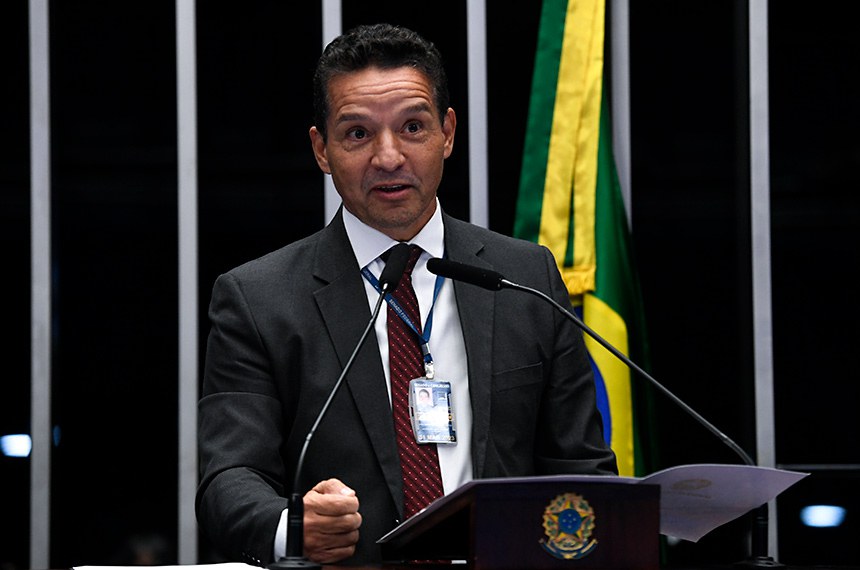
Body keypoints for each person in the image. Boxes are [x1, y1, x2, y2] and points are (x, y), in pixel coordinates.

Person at [196, 22, 617, 567]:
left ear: (448, 132)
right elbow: (230, 477)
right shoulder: (259, 299)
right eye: (357, 133)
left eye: (413, 127)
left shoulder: (524, 277)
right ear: (321, 150)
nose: (388, 156)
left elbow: (581, 468)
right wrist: (292, 528)